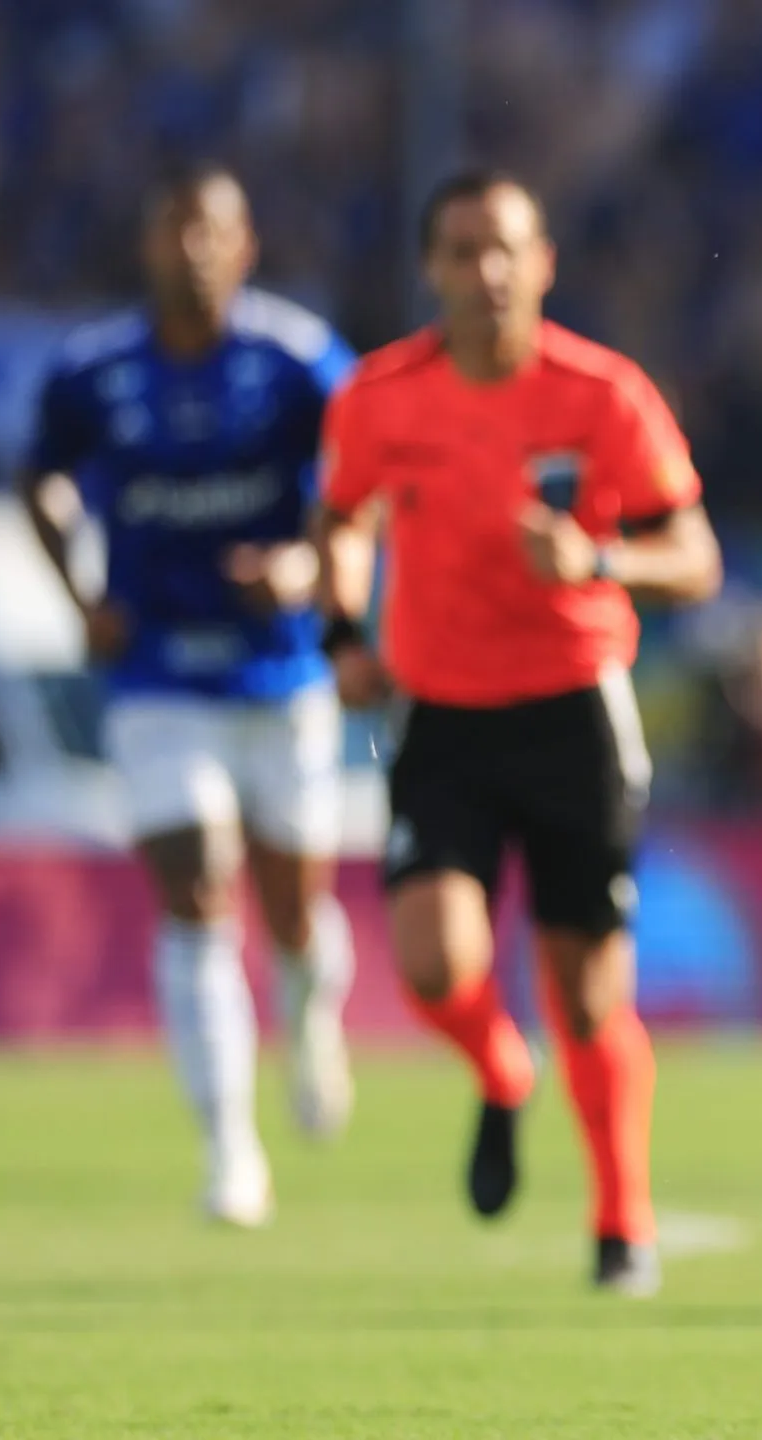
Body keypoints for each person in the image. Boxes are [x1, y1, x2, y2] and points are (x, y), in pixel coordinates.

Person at [313, 170, 723, 1294]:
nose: (485, 271)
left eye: (504, 248)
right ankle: (501, 1066)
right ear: (430, 270)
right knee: (432, 964)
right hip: (439, 711)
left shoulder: (603, 395)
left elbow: (694, 558)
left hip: (572, 707)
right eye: (461, 250)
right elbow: (341, 521)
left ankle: (621, 1221)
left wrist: (598, 558)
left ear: (542, 262)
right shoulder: (379, 397)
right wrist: (341, 633)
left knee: (588, 993)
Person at [21, 163, 358, 1228]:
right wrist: (80, 596)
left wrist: (309, 569)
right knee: (197, 887)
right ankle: (230, 1150)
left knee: (293, 909)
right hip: (158, 672)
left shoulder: (298, 358)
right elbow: (42, 477)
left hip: (278, 668)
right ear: (148, 245)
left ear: (245, 245)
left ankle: (311, 1016)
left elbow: (365, 481)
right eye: (174, 228)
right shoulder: (93, 370)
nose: (193, 248)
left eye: (211, 229)